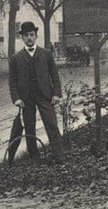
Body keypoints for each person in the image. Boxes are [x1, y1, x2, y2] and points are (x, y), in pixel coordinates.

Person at [7, 22, 65, 163]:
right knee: (29, 128)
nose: (29, 38)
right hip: (26, 98)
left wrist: (56, 93)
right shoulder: (16, 58)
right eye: (26, 35)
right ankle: (35, 158)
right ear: (22, 38)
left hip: (45, 96)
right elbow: (12, 81)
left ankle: (60, 157)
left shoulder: (46, 54)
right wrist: (16, 99)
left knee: (51, 125)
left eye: (31, 35)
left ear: (36, 36)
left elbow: (54, 76)